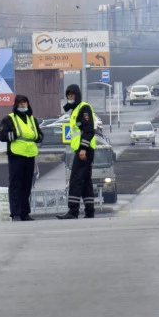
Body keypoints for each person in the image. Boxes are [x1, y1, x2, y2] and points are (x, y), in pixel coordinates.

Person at [0, 94, 43, 221]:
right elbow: (2, 135)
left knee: (27, 185)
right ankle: (16, 213)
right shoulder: (9, 119)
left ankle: (25, 212)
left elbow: (39, 135)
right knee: (16, 185)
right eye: (20, 103)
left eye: (25, 103)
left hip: (30, 155)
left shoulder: (32, 119)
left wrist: (38, 137)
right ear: (16, 105)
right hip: (16, 156)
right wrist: (16, 135)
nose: (23, 105)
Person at [57, 84, 97, 219]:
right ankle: (89, 211)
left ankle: (73, 211)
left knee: (75, 179)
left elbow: (89, 130)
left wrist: (83, 149)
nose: (70, 97)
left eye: (72, 95)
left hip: (84, 150)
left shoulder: (83, 108)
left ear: (77, 95)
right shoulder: (75, 110)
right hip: (81, 150)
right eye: (68, 95)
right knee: (85, 181)